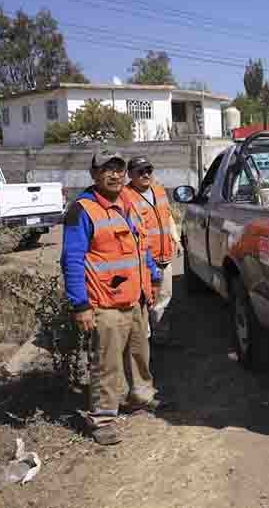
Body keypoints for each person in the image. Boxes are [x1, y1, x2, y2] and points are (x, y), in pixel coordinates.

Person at [61, 149, 163, 445]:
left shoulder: (128, 202)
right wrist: (80, 305)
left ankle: (140, 398)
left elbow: (141, 245)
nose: (115, 174)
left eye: (119, 168)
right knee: (106, 364)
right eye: (107, 169)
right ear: (94, 174)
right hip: (104, 304)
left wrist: (153, 277)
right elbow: (72, 260)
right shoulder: (82, 209)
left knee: (138, 355)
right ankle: (103, 419)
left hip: (135, 299)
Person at [121, 156, 177, 345]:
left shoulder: (158, 189)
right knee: (144, 303)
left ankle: (161, 339)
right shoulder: (125, 196)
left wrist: (175, 238)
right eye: (140, 171)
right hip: (143, 262)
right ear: (130, 174)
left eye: (148, 170)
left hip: (165, 256)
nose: (145, 175)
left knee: (164, 299)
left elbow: (168, 216)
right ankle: (143, 346)